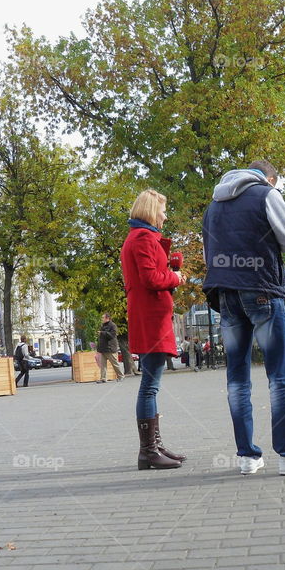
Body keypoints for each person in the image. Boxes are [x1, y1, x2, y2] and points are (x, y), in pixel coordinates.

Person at [203, 159, 285, 476]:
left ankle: (247, 456)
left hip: (225, 295)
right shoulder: (266, 195)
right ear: (270, 178)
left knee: (237, 379)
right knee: (280, 375)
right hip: (260, 291)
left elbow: (209, 256)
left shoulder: (213, 206)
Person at [121, 188, 187, 470]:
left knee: (152, 385)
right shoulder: (144, 238)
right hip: (152, 319)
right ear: (150, 211)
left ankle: (154, 445)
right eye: (162, 210)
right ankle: (148, 451)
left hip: (147, 316)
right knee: (149, 386)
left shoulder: (138, 238)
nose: (165, 215)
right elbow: (150, 278)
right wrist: (175, 276)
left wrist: (170, 266)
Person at [96, 313, 124, 383]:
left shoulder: (112, 325)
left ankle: (121, 376)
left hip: (110, 348)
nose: (101, 319)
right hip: (103, 349)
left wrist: (102, 333)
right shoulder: (103, 325)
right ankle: (103, 378)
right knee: (103, 365)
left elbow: (112, 335)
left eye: (103, 318)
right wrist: (98, 348)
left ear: (107, 318)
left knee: (115, 364)